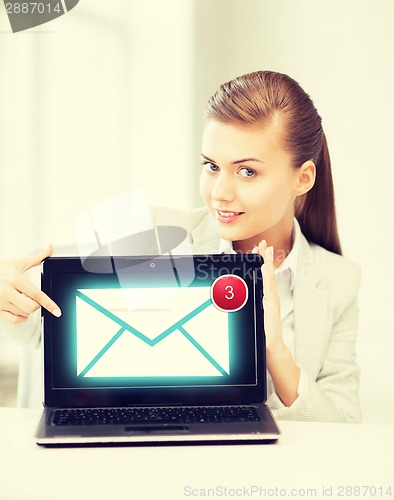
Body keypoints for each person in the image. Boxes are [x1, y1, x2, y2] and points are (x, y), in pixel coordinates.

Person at [0, 70, 361, 422]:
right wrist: (7, 292)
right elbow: (45, 328)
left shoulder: (338, 281)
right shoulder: (153, 234)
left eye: (247, 171)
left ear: (303, 178)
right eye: (211, 166)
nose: (219, 192)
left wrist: (275, 351)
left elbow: (343, 425)